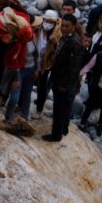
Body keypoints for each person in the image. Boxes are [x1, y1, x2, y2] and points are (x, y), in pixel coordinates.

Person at [42, 14, 83, 142]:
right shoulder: (66, 38)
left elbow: (73, 67)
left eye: (67, 26)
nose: (63, 28)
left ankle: (56, 134)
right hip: (57, 78)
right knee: (60, 107)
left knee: (60, 109)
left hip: (63, 82)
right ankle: (62, 129)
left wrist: (64, 85)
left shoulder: (74, 43)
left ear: (73, 26)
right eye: (63, 26)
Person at [1, 13, 41, 122]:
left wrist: (37, 69)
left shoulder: (33, 36)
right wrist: (17, 78)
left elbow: (37, 55)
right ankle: (8, 118)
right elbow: (15, 62)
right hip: (19, 70)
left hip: (31, 69)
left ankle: (24, 117)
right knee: (14, 96)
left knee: (27, 94)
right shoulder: (17, 40)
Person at [33, 9, 61, 119]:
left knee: (42, 87)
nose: (48, 24)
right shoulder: (37, 30)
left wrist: (55, 44)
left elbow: (58, 52)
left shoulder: (56, 35)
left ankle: (39, 110)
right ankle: (21, 104)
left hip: (46, 65)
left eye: (51, 22)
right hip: (34, 60)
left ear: (54, 24)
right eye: (46, 21)